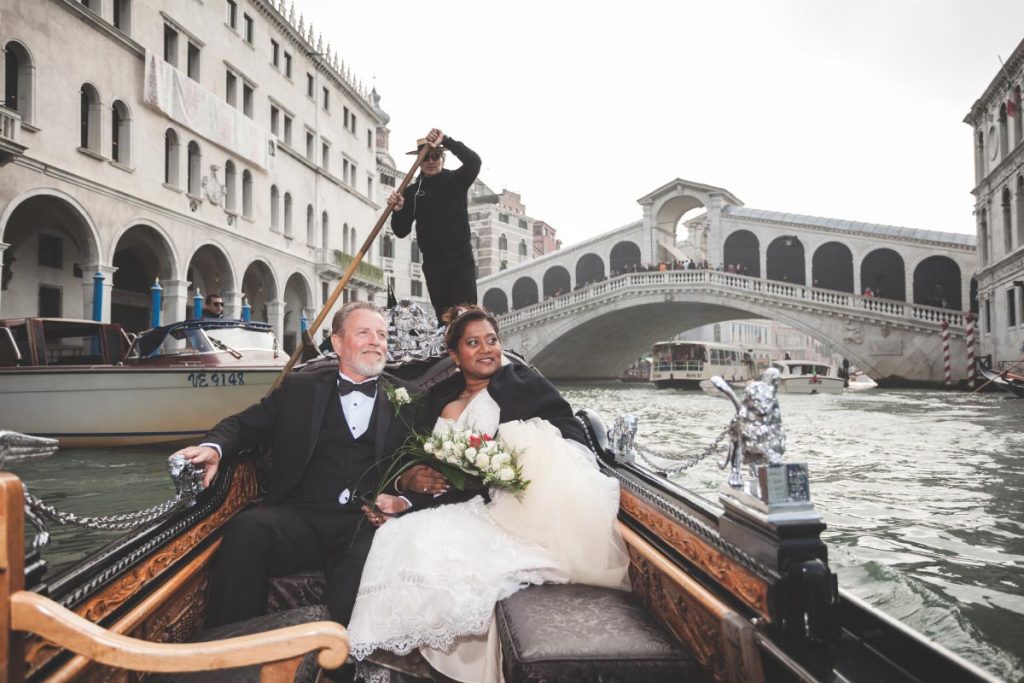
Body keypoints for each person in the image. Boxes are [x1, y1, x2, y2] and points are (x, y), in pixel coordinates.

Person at [347, 306, 628, 683]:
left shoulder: (522, 383)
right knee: (398, 534)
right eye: (473, 343)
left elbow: (568, 431)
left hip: (509, 503)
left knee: (426, 541)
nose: (486, 349)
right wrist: (406, 498)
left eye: (492, 341)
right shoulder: (442, 403)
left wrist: (520, 452)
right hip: (463, 501)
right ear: (454, 355)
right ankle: (406, 654)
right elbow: (437, 474)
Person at [173, 301, 419, 629]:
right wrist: (214, 448)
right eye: (364, 333)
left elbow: (427, 467)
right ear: (338, 343)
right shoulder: (300, 389)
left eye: (382, 334)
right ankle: (230, 647)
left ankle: (342, 665)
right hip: (302, 516)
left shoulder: (410, 397)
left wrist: (404, 501)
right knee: (248, 529)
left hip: (364, 523)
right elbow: (246, 424)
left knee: (363, 567)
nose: (376, 341)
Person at [388, 129, 482, 321]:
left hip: (461, 260)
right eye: (426, 158)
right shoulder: (412, 192)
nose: (431, 161)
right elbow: (400, 230)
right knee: (444, 318)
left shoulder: (456, 180)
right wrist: (397, 211)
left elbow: (474, 161)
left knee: (467, 315)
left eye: (435, 156)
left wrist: (446, 140)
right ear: (419, 163)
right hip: (433, 265)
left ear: (442, 159)